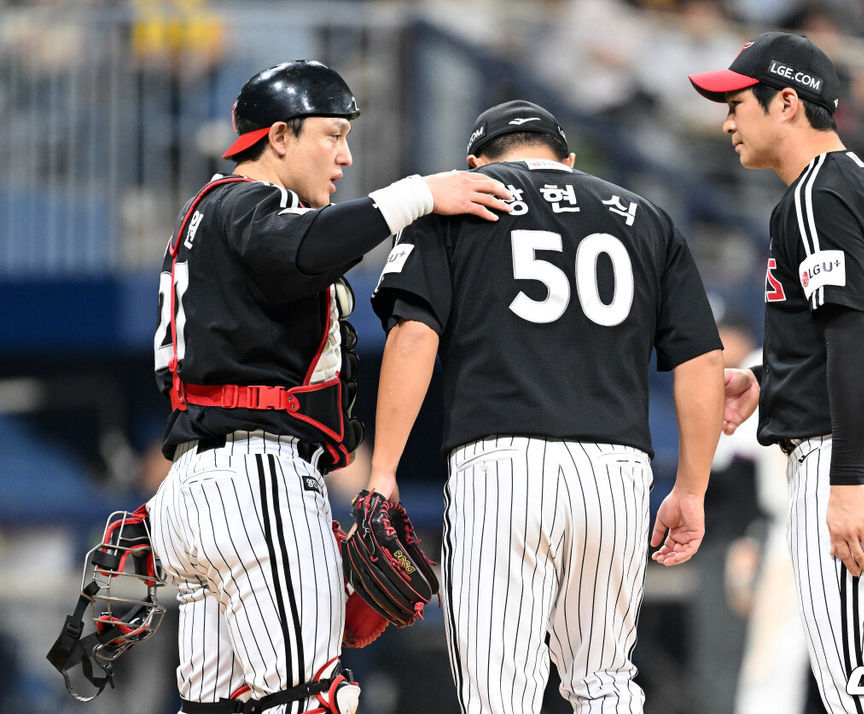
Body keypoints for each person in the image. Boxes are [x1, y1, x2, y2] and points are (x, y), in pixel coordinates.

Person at [146, 60, 510, 714]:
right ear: (279, 137)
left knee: (221, 706)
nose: (345, 157)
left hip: (198, 489)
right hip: (256, 479)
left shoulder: (206, 214)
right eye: (332, 136)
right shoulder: (249, 202)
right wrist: (420, 194)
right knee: (311, 699)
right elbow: (306, 247)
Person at [367, 99, 725, 713]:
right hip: (616, 473)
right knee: (604, 681)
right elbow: (703, 362)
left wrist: (383, 470)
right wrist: (691, 489)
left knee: (499, 692)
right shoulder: (645, 216)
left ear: (475, 162)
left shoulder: (455, 201)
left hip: (501, 465)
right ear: (569, 161)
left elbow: (414, 336)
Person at [689, 32, 864, 713]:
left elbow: (855, 340)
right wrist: (771, 380)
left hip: (860, 457)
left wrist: (847, 482)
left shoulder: (817, 194)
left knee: (857, 694)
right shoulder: (862, 186)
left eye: (737, 104)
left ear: (785, 103)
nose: (727, 122)